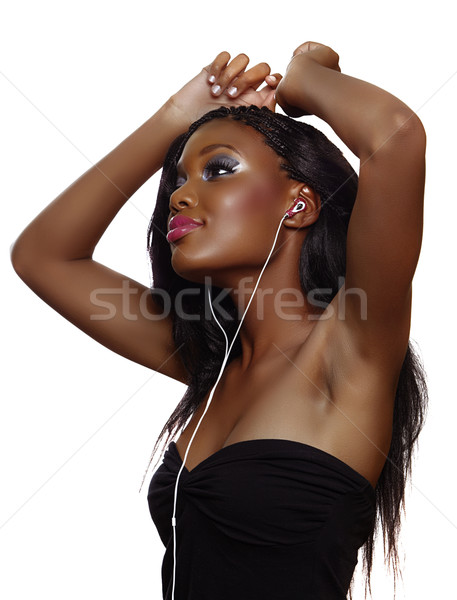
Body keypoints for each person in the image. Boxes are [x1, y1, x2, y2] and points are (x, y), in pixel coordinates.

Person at [11, 41, 428, 599]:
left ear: (298, 205)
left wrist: (305, 76)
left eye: (219, 169)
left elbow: (395, 137)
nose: (180, 196)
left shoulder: (351, 349)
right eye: (180, 179)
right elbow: (42, 257)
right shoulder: (210, 366)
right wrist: (175, 119)